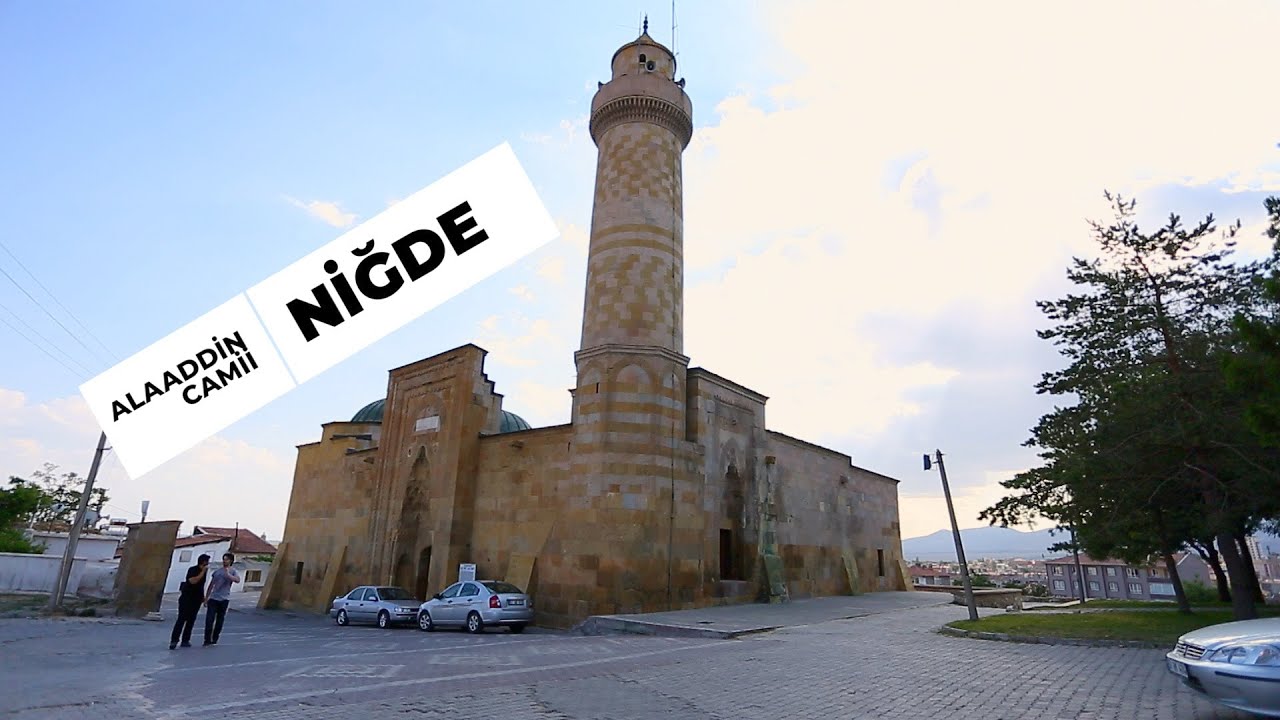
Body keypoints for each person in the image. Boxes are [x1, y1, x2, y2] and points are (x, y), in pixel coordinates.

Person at [170, 553, 210, 649]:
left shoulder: (204, 572)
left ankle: (185, 640)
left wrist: (203, 597)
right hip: (186, 598)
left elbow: (200, 586)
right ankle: (174, 641)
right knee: (181, 619)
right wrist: (202, 572)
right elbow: (193, 581)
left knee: (191, 621)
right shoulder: (193, 570)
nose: (208, 564)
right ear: (203, 562)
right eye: (207, 562)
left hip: (196, 600)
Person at [202, 552, 240, 646]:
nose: (224, 561)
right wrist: (206, 598)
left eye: (226, 559)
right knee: (209, 620)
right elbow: (211, 585)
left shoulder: (233, 571)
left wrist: (228, 574)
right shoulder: (217, 571)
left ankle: (215, 638)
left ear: (231, 561)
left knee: (220, 620)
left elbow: (237, 580)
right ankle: (207, 640)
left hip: (224, 599)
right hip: (214, 598)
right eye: (224, 559)